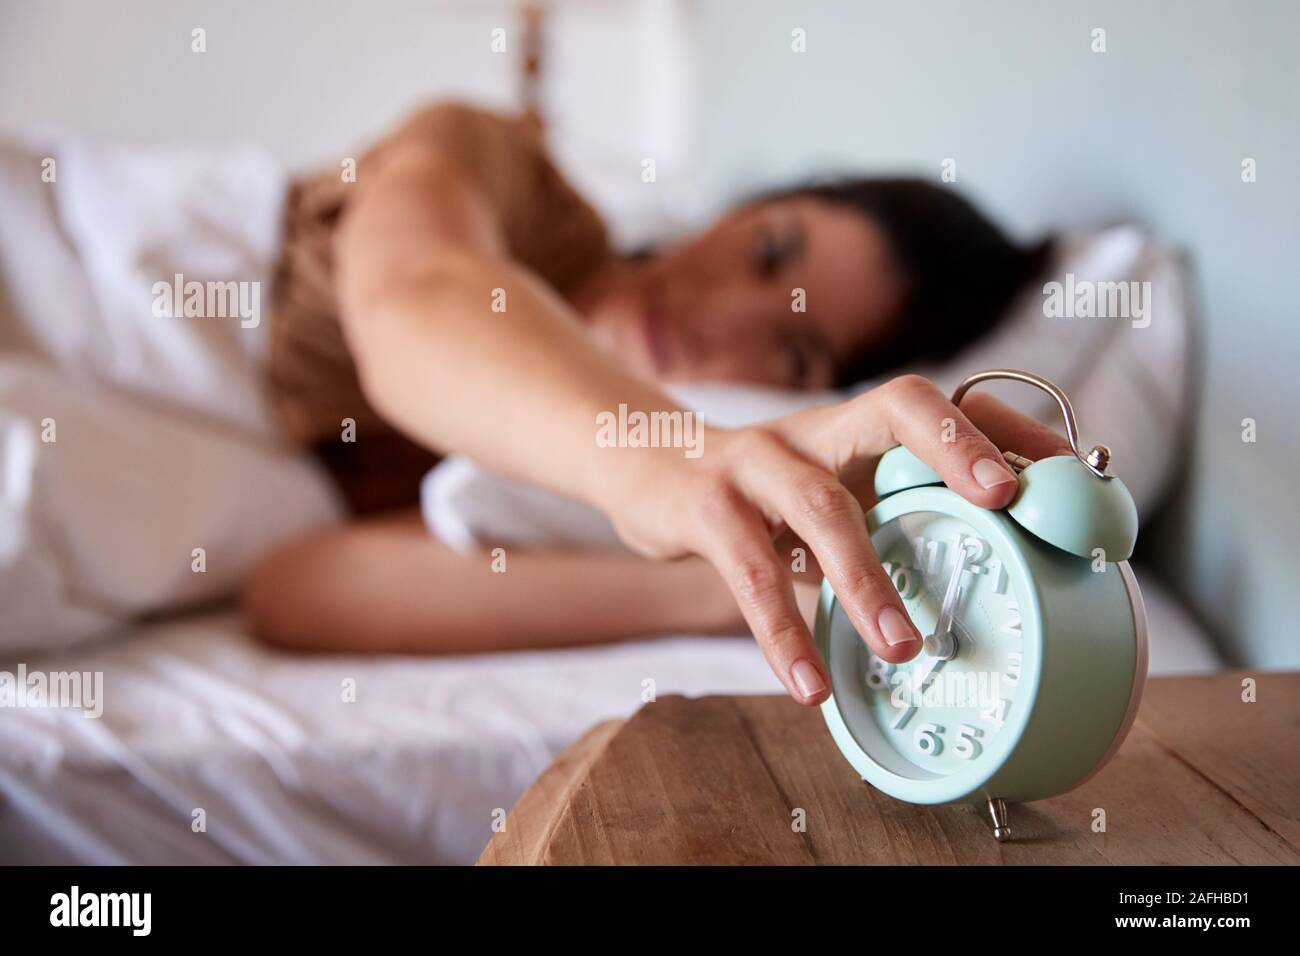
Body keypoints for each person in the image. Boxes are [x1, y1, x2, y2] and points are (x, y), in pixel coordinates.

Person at [243, 102, 1066, 707]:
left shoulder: (602, 469)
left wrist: (727, 578)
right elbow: (412, 296)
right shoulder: (504, 170)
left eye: (794, 348)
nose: (722, 315)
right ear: (737, 210)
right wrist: (674, 460)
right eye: (769, 250)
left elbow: (298, 588)